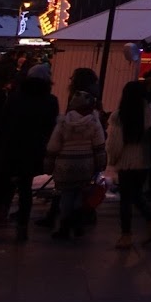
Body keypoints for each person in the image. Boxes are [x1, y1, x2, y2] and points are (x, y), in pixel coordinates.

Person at [0, 62, 60, 241]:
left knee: (0, 188)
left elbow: (2, 123)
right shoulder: (50, 101)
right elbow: (50, 127)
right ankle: (22, 228)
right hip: (32, 150)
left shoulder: (16, 97)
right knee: (25, 190)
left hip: (9, 148)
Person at [106, 81, 151, 248]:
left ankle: (127, 235)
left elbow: (115, 144)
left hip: (126, 162)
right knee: (137, 193)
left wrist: (112, 160)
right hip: (145, 161)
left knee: (126, 198)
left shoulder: (120, 115)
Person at [44, 91, 106, 240]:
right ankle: (78, 224)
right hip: (85, 165)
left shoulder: (63, 122)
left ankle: (64, 226)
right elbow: (99, 146)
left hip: (65, 164)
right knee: (79, 194)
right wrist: (100, 164)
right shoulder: (94, 122)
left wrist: (48, 165)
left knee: (66, 195)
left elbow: (53, 146)